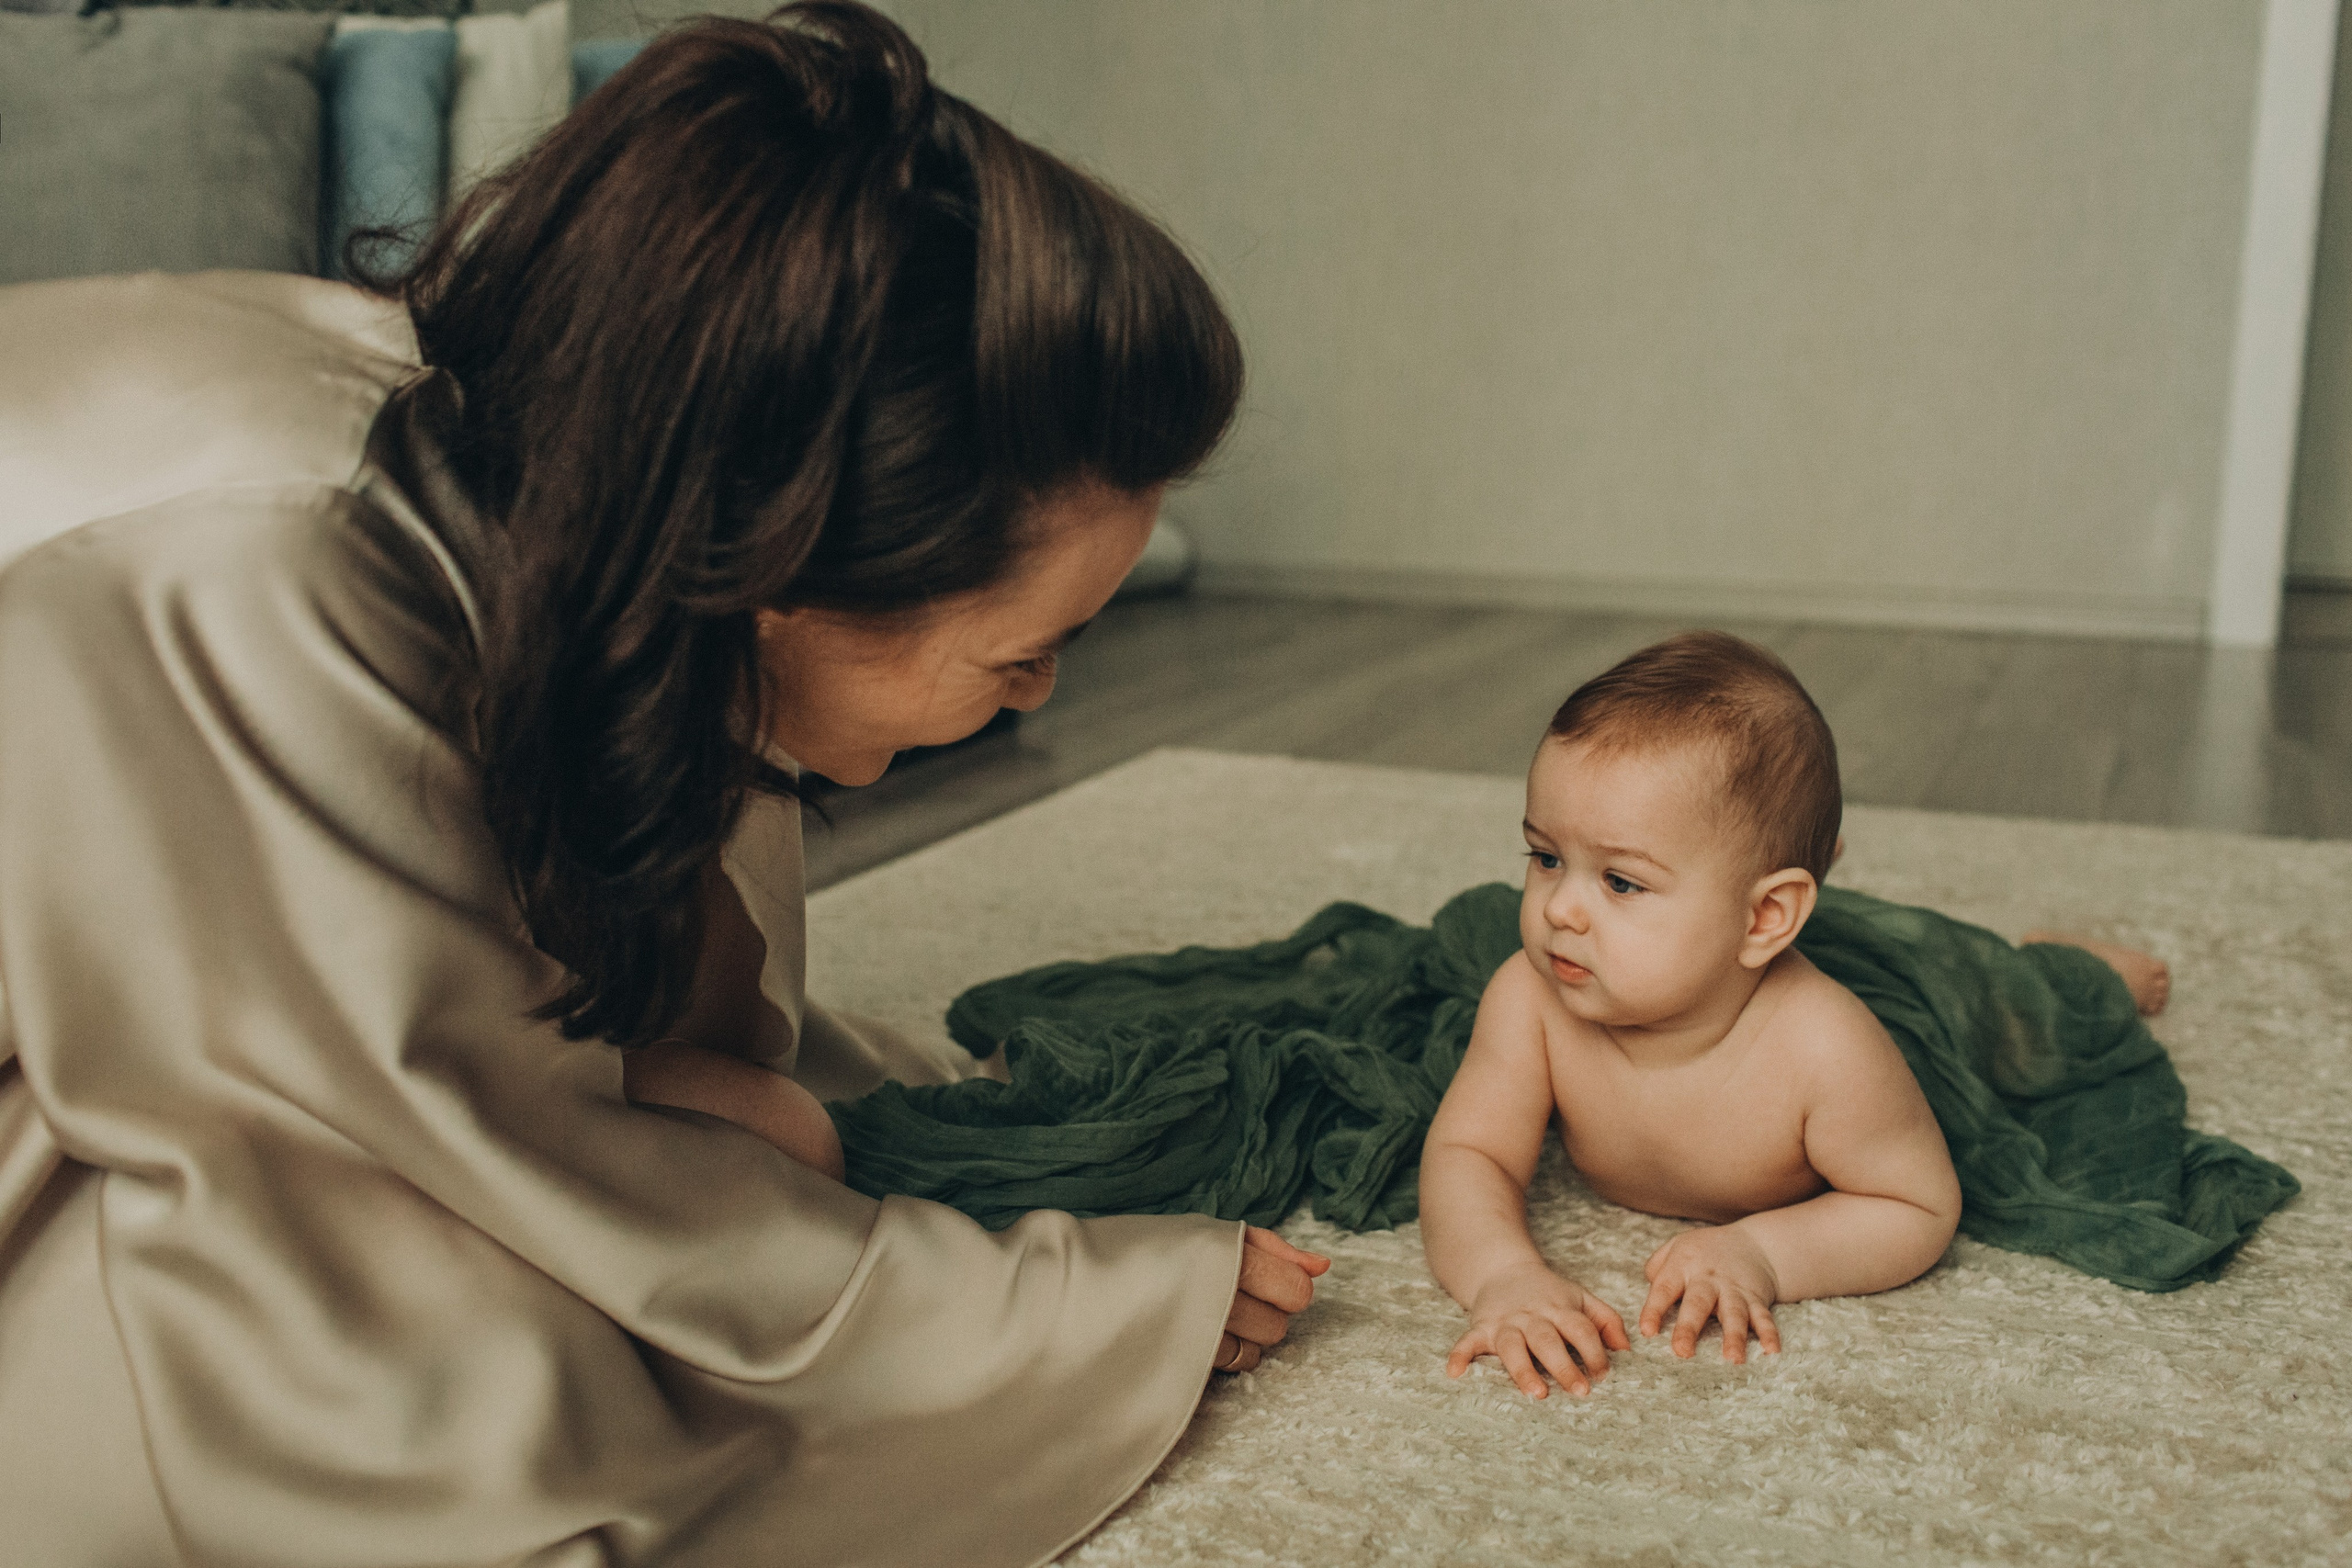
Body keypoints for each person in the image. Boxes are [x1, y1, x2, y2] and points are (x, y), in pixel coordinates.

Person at [0, 7, 1326, 1564]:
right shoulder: (261, 582)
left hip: (226, 952)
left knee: (723, 1152)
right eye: (1020, 653)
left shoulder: (598, 509)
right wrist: (1052, 1310)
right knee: (403, 1396)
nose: (1040, 693)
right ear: (783, 581)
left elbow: (580, 1045)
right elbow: (450, 1140)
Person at [1419, 631, 2173, 1400]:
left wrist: (1767, 1252)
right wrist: (1503, 1273)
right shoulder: (1530, 997)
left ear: (1765, 918)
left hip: (1917, 1008)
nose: (1561, 909)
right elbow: (1467, 1152)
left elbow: (1916, 1204)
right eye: (1545, 858)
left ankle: (2067, 961)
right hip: (1743, 941)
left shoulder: (1826, 1047)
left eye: (1620, 881)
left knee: (2000, 997)